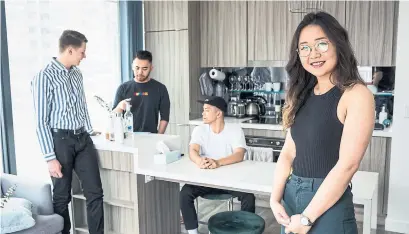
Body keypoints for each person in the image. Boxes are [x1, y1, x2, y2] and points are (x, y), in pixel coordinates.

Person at [269, 12, 374, 234]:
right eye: (304, 47)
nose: (313, 53)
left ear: (338, 44)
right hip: (290, 196)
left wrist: (307, 219)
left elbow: (348, 165)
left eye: (322, 44)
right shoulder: (300, 94)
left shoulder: (356, 94)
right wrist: (274, 198)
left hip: (328, 203)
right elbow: (288, 152)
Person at [31, 30, 104, 234]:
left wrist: (89, 129)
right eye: (82, 52)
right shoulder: (44, 77)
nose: (84, 56)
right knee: (62, 197)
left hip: (83, 139)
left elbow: (82, 107)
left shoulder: (77, 74)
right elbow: (41, 122)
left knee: (95, 193)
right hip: (60, 141)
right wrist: (49, 158)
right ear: (70, 50)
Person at [180, 96, 256, 234]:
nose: (203, 114)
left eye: (207, 110)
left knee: (248, 197)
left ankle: (246, 230)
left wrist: (218, 163)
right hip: (205, 180)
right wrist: (199, 161)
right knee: (185, 193)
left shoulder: (235, 130)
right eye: (203, 110)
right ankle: (192, 232)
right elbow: (193, 150)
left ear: (218, 113)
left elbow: (239, 154)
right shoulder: (200, 130)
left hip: (230, 181)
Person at [112, 50, 170, 133]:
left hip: (151, 137)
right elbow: (113, 117)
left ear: (151, 68)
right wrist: (120, 106)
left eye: (144, 69)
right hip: (128, 138)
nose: (140, 72)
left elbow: (165, 117)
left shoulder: (160, 88)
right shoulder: (123, 88)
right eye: (137, 68)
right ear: (132, 67)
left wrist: (158, 137)